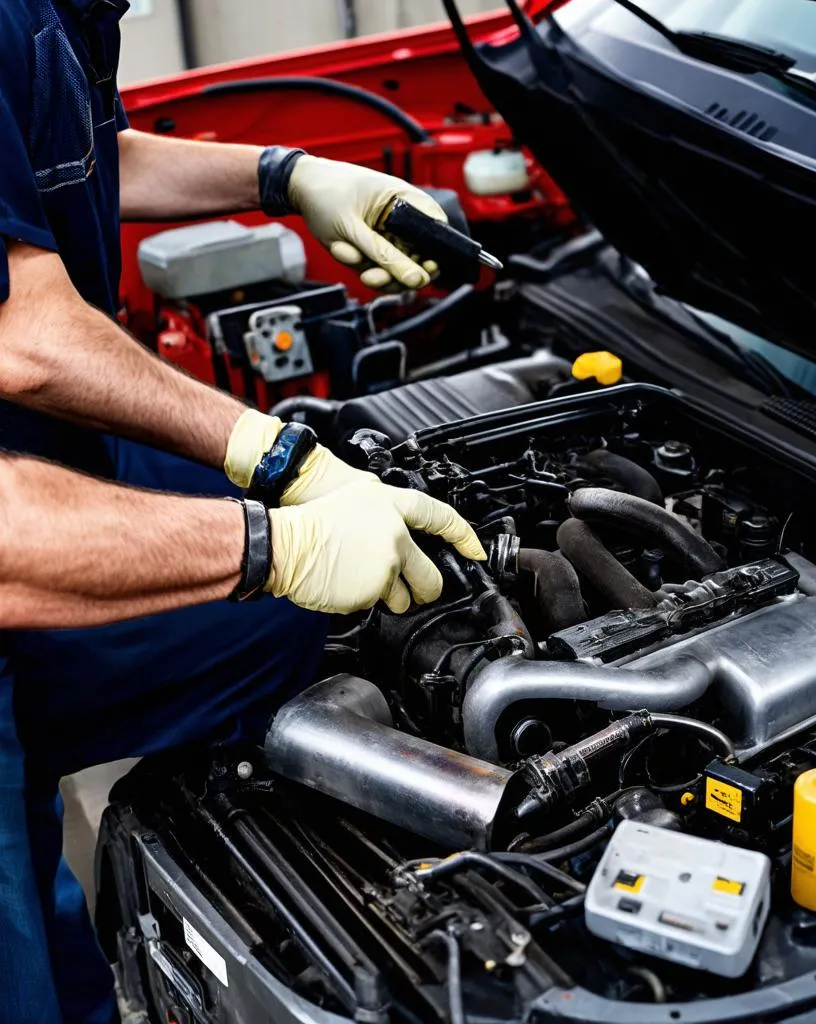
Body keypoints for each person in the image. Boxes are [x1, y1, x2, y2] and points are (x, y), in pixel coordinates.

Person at [0, 1, 484, 1021]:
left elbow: (72, 161)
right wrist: (281, 509)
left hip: (38, 458)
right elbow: (23, 336)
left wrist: (286, 174)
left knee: (55, 956)